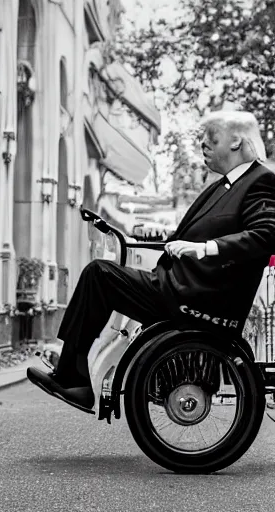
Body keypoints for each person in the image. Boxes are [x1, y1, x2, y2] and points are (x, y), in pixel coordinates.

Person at [27, 110, 275, 411]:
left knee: (99, 275)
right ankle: (72, 367)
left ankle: (73, 375)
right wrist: (165, 236)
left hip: (200, 298)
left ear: (236, 141)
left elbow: (266, 235)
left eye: (211, 137)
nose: (203, 144)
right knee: (103, 275)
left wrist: (206, 248)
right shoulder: (224, 185)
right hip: (182, 288)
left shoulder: (260, 181)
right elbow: (197, 232)